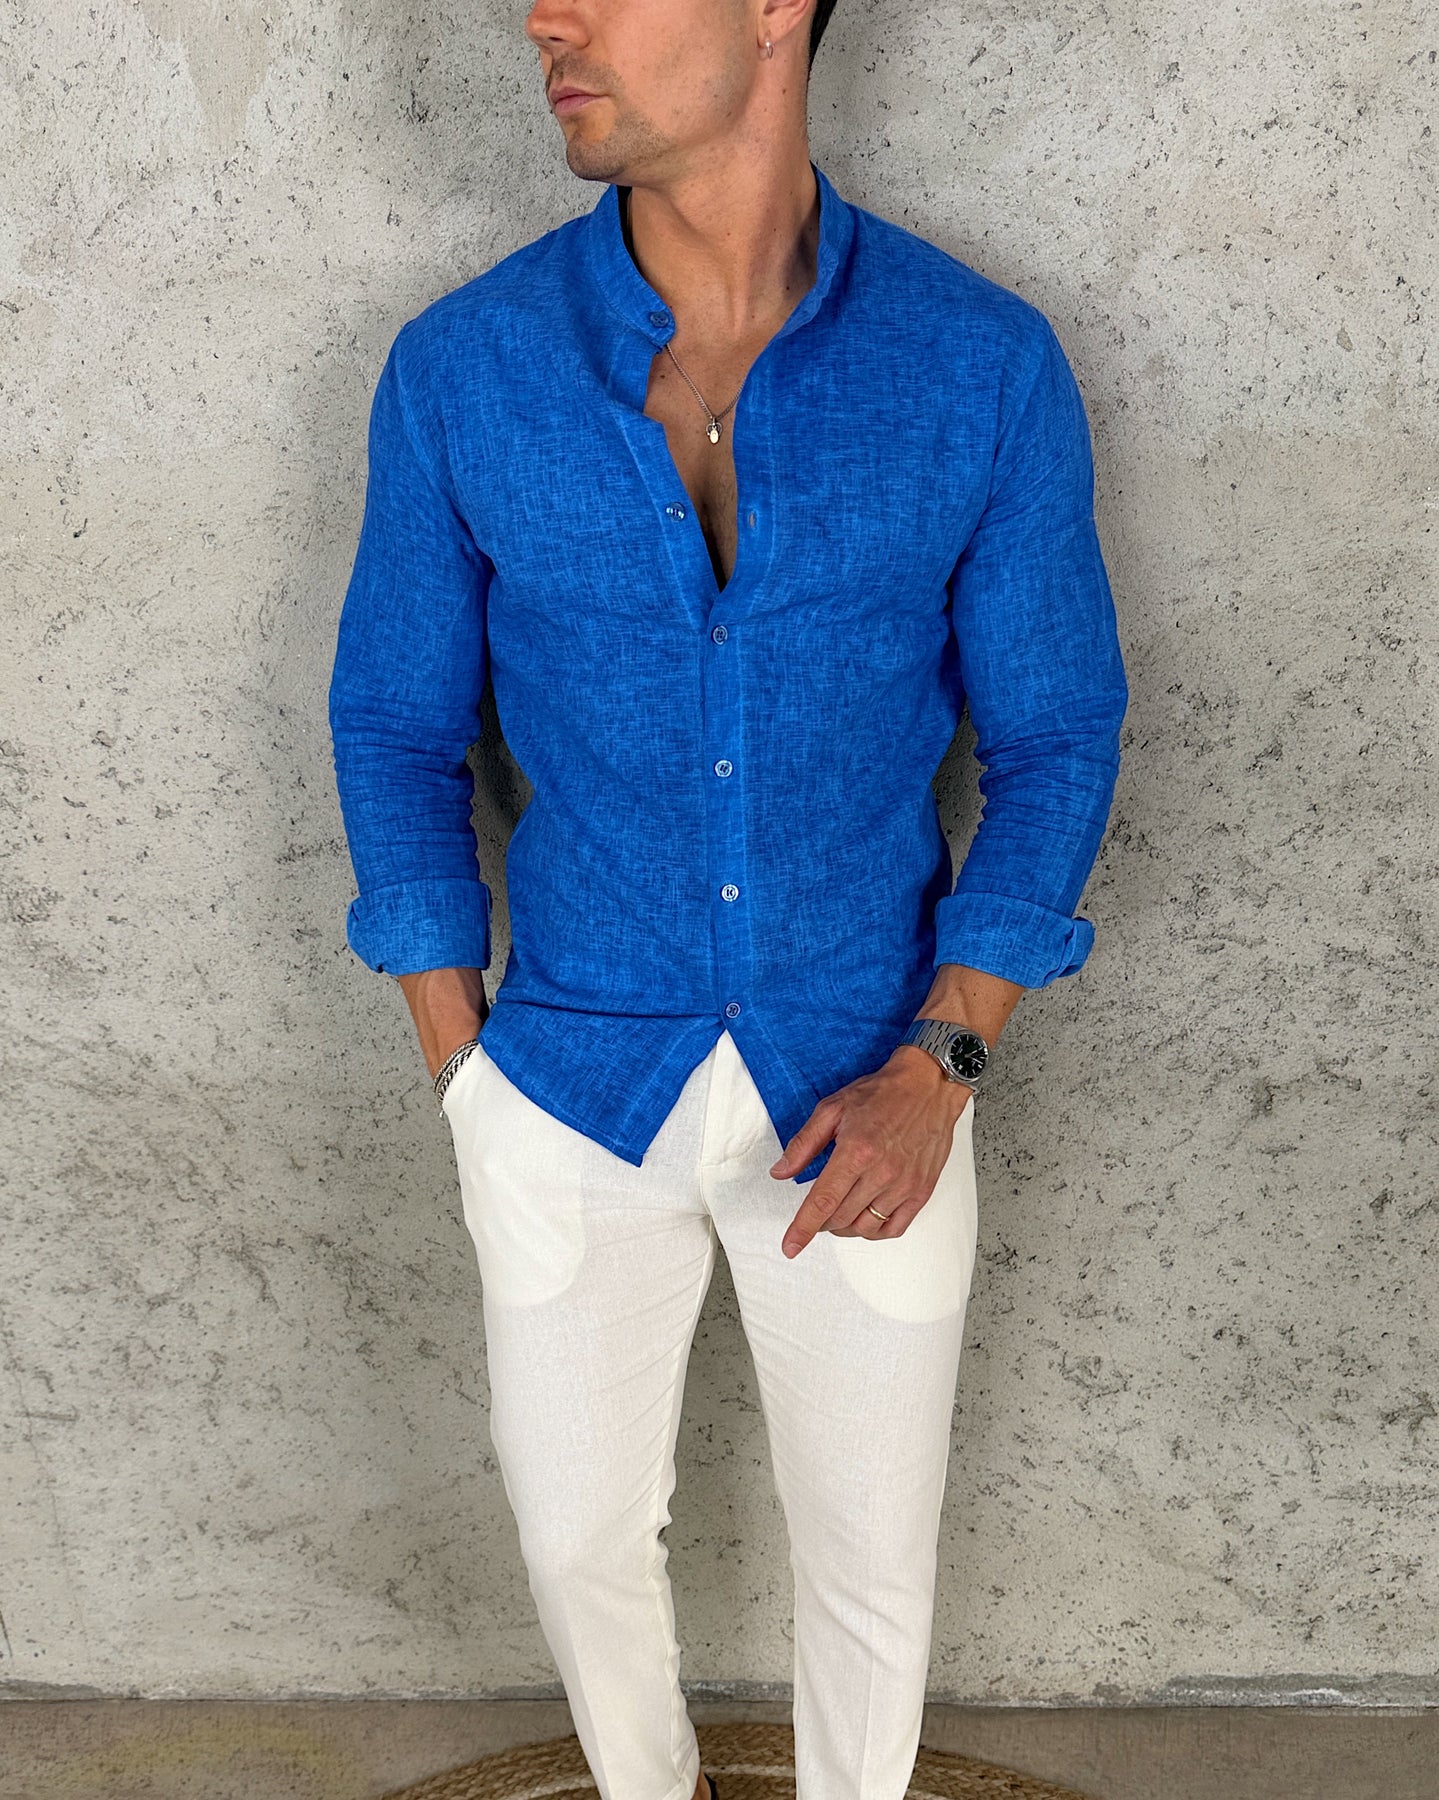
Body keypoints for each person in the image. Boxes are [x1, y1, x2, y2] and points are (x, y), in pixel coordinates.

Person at [326, 0, 1129, 1794]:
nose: (547, 19)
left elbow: (1059, 737)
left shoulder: (978, 364)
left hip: (872, 1093)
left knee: (872, 1574)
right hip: (563, 1090)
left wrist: (946, 1064)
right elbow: (393, 728)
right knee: (574, 1548)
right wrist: (464, 1078)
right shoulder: (463, 368)